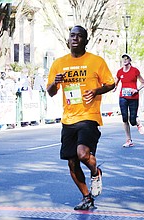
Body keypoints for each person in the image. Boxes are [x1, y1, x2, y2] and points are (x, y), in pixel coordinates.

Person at [47, 25, 115, 210]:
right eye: (72, 35)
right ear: (68, 39)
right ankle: (87, 197)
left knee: (82, 153)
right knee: (72, 163)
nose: (75, 38)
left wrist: (96, 90)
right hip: (68, 119)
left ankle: (95, 170)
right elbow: (51, 91)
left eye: (79, 36)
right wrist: (55, 82)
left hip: (89, 116)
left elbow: (111, 83)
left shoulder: (96, 61)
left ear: (86, 40)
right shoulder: (59, 63)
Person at [114, 54, 144, 147]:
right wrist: (114, 87)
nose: (125, 60)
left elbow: (143, 82)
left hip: (133, 97)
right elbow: (116, 82)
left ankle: (138, 122)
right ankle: (128, 140)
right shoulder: (119, 72)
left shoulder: (135, 71)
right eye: (123, 59)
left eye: (127, 58)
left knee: (132, 120)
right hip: (123, 97)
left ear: (130, 60)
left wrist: (137, 90)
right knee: (124, 118)